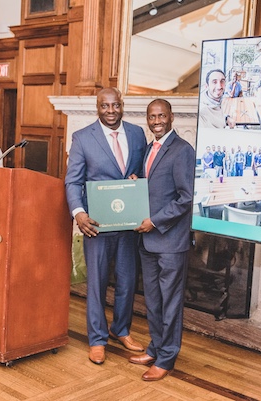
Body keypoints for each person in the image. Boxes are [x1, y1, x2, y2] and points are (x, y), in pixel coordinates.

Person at [64, 87, 147, 365]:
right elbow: (73, 181)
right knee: (98, 283)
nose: (110, 111)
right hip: (96, 224)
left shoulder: (137, 134)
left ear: (122, 106)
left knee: (127, 280)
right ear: (97, 107)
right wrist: (78, 213)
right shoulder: (82, 137)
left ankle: (120, 329)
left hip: (128, 223)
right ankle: (97, 338)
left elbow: (145, 173)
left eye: (115, 106)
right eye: (104, 106)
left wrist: (139, 180)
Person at [129, 99, 195, 382]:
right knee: (153, 301)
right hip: (148, 241)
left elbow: (186, 197)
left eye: (161, 116)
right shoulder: (148, 149)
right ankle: (155, 347)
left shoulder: (182, 150)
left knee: (170, 303)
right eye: (151, 116)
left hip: (170, 241)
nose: (156, 120)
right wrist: (136, 183)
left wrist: (154, 221)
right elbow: (154, 188)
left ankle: (167, 358)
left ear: (171, 117)